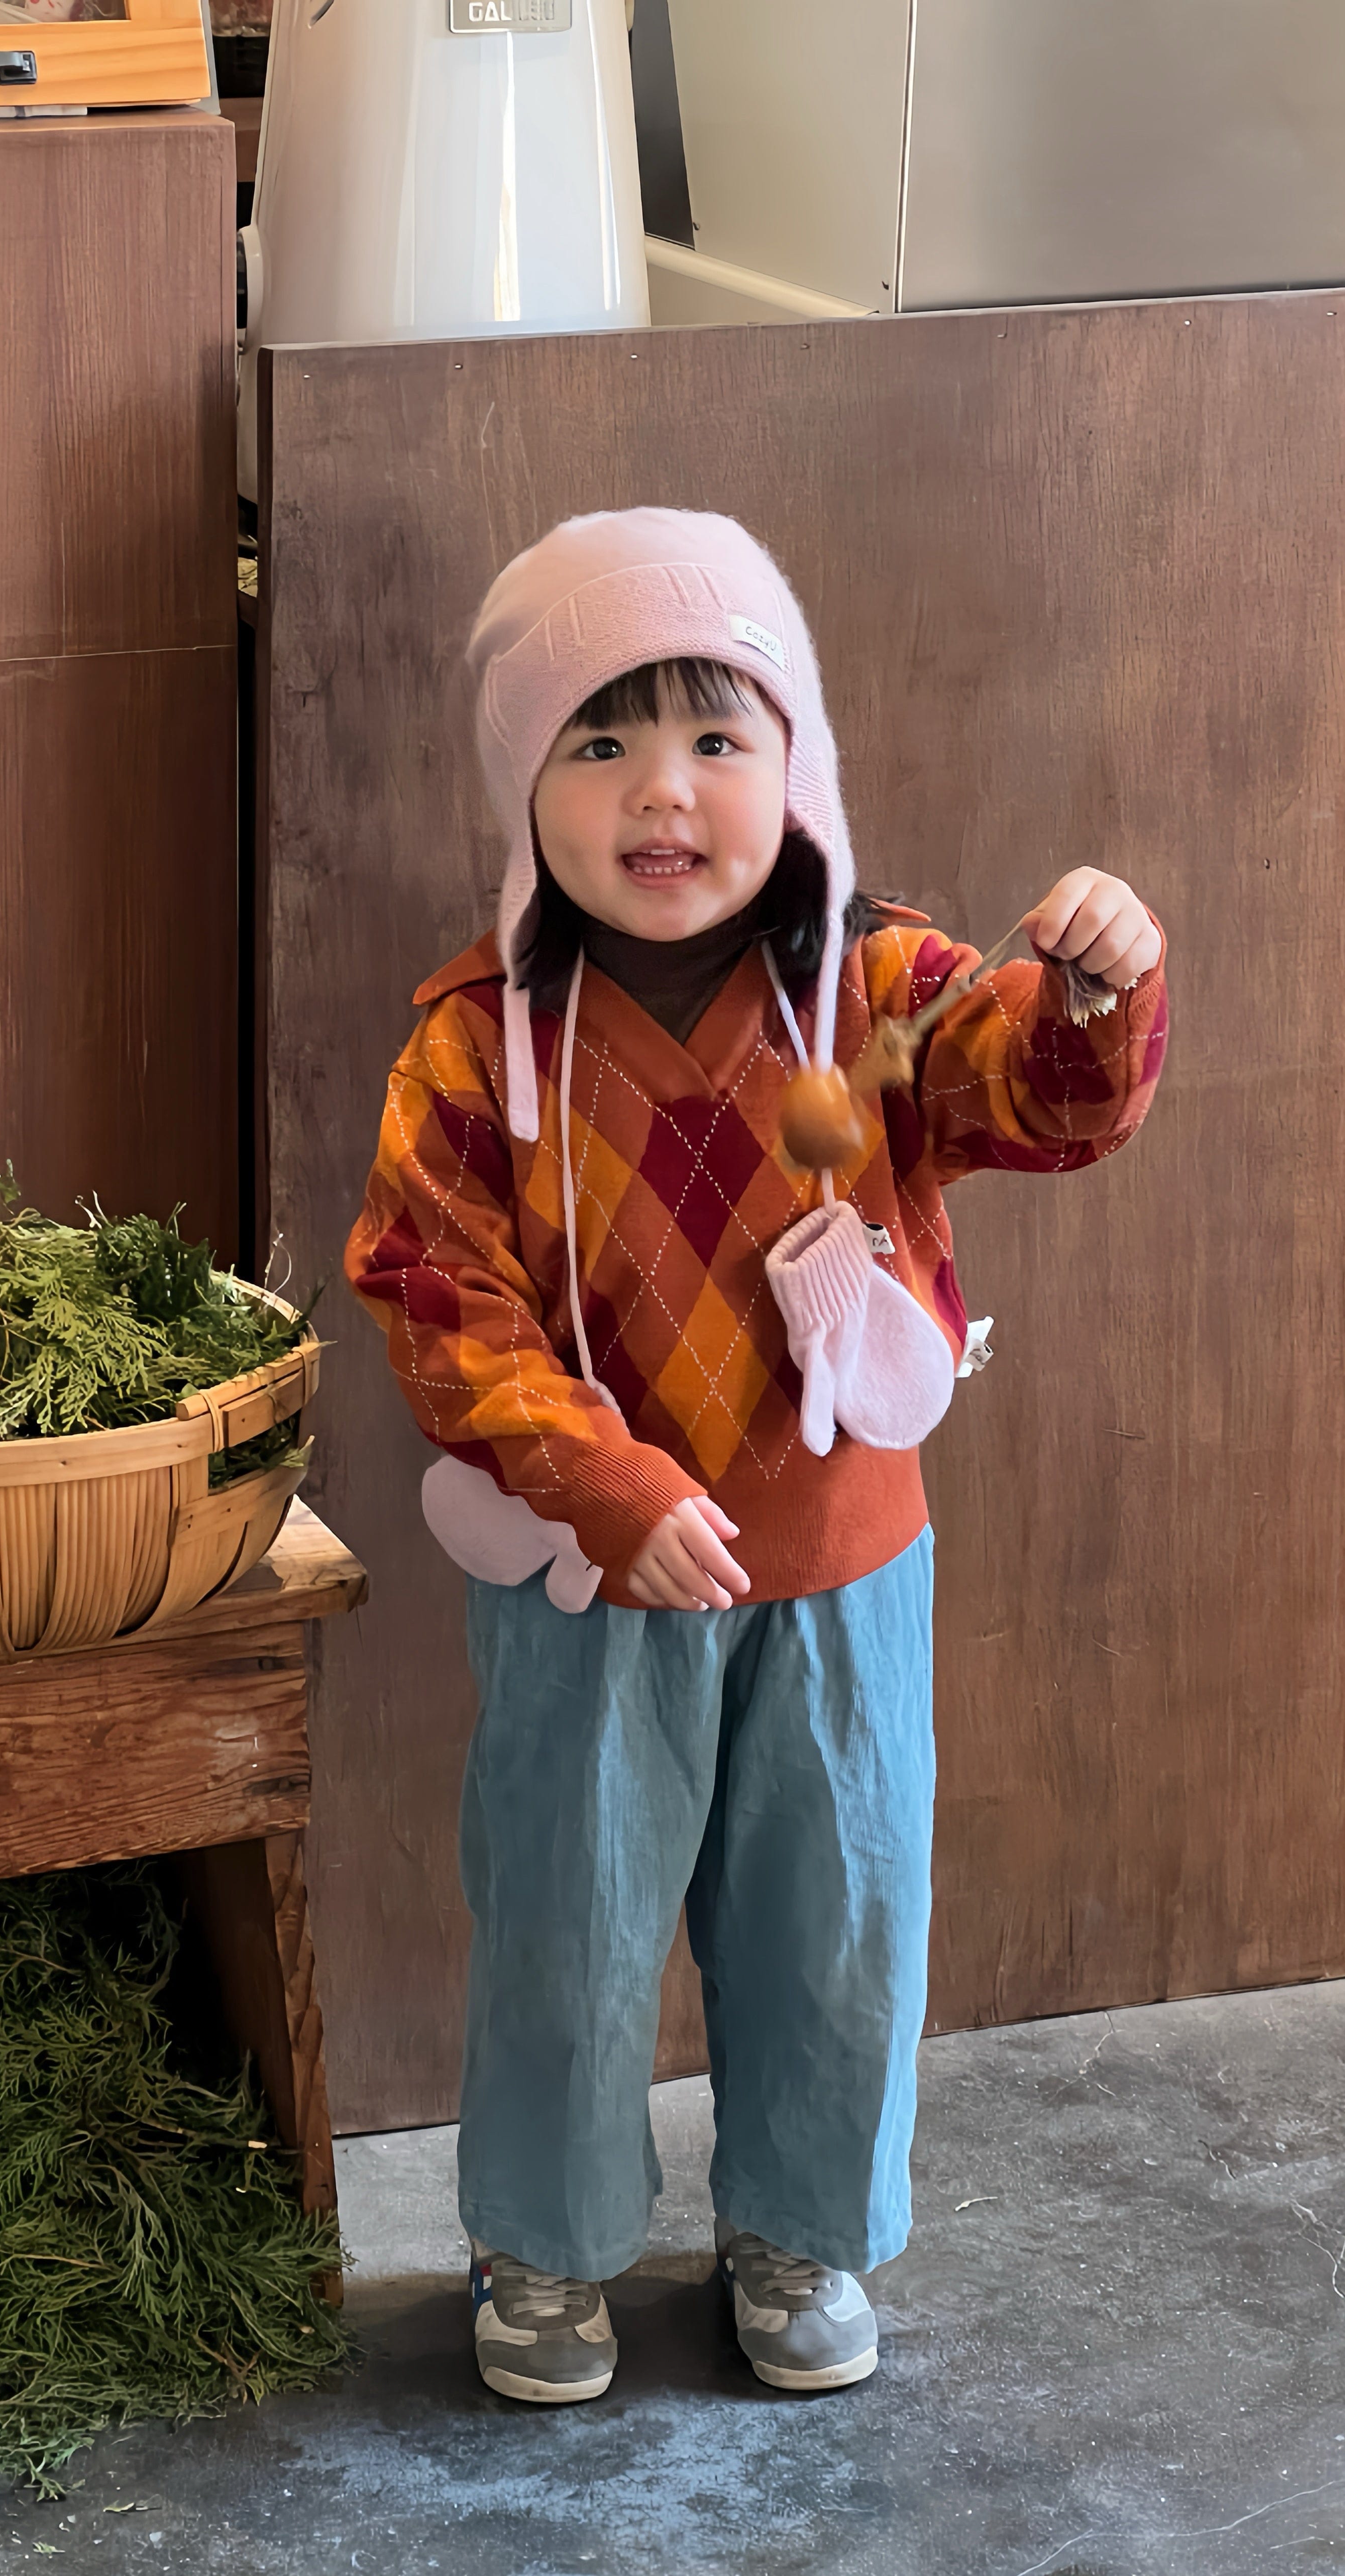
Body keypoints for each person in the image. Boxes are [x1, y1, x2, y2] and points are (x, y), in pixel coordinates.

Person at [344, 509, 1167, 2405]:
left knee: (840, 1912)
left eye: (719, 739)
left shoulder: (884, 995)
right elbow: (435, 1299)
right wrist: (606, 1487)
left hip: (848, 1568)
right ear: (524, 782)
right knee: (568, 1913)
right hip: (594, 1582)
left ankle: (799, 2229)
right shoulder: (476, 1050)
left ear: (795, 768)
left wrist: (1102, 988)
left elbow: (1041, 1093)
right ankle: (543, 2250)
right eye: (602, 741)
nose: (664, 793)